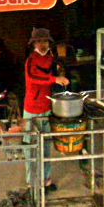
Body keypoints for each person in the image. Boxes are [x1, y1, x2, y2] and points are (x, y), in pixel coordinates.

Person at [22, 27, 69, 193]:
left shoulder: (51, 58)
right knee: (30, 147)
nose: (42, 44)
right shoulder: (30, 61)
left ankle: (46, 181)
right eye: (39, 41)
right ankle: (31, 183)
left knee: (47, 146)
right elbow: (33, 79)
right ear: (34, 44)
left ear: (49, 43)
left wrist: (60, 72)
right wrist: (55, 79)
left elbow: (55, 76)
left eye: (45, 41)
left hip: (47, 107)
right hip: (32, 108)